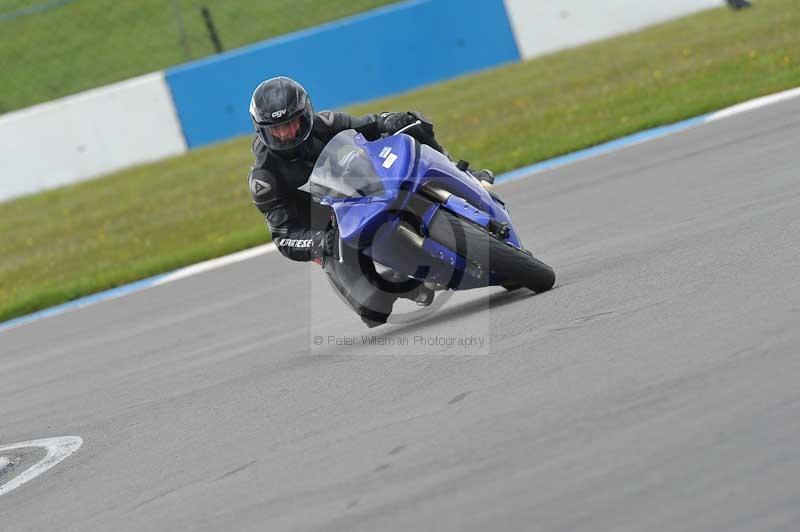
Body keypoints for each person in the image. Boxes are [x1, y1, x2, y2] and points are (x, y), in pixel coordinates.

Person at [246, 76, 493, 327]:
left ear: (306, 115)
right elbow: (283, 235)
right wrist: (320, 242)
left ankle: (465, 176)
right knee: (371, 308)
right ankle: (403, 283)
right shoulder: (264, 179)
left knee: (413, 124)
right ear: (262, 130)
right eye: (276, 129)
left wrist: (390, 120)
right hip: (331, 229)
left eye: (292, 124)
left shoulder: (328, 122)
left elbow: (372, 125)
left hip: (366, 185)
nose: (286, 134)